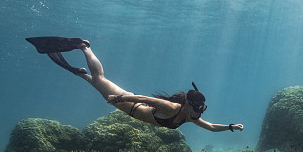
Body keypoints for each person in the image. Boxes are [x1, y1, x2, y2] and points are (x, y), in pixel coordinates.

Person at [25, 37, 244, 132]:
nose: (199, 113)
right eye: (198, 108)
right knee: (100, 79)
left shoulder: (189, 116)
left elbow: (212, 127)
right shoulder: (173, 108)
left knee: (96, 83)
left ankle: (82, 74)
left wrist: (231, 127)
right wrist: (121, 98)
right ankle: (84, 47)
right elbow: (146, 99)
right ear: (187, 104)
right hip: (128, 104)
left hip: (126, 104)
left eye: (202, 109)